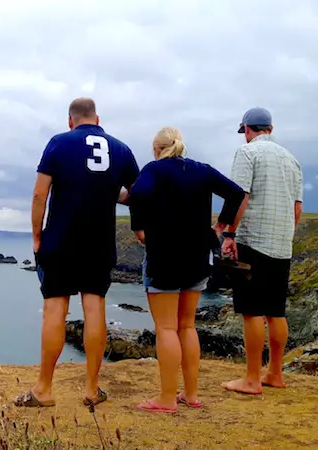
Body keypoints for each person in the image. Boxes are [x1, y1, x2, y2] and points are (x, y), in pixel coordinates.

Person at [14, 97, 140, 408]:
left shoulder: (58, 143)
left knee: (55, 311)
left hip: (60, 240)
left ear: (70, 121)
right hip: (99, 243)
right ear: (98, 119)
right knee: (95, 308)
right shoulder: (121, 149)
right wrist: (112, 193)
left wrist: (36, 236)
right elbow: (136, 194)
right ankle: (92, 389)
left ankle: (43, 390)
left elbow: (39, 194)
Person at [126, 126, 245, 413]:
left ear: (157, 148)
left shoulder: (154, 170)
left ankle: (166, 399)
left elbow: (137, 195)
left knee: (166, 327)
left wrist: (139, 228)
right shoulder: (201, 169)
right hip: (197, 255)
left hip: (164, 256)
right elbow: (236, 193)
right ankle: (190, 395)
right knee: (187, 326)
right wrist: (219, 227)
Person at [220, 107, 303, 395]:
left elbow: (240, 196)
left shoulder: (247, 154)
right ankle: (275, 374)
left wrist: (229, 233)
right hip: (282, 243)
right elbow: (297, 207)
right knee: (275, 311)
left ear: (246, 129)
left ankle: (252, 379)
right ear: (270, 127)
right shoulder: (291, 159)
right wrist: (287, 235)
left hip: (253, 240)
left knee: (252, 311)